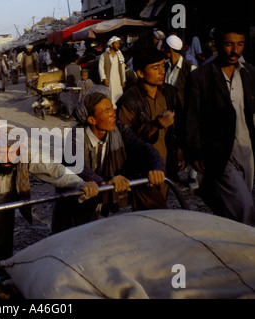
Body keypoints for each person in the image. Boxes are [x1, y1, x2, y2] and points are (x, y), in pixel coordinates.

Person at [0, 123, 99, 276]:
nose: (7, 158)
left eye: (13, 152)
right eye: (1, 152)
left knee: (3, 241)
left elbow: (53, 169)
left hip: (6, 205)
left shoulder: (25, 155)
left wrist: (79, 183)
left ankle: (1, 277)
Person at [51, 86, 166, 233]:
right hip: (78, 200)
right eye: (106, 111)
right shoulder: (74, 136)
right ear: (92, 120)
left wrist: (157, 168)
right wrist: (105, 182)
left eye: (112, 108)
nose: (113, 114)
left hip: (102, 195)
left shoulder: (120, 129)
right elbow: (78, 168)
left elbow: (144, 148)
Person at [184, 22, 255, 225]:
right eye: (229, 44)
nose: (235, 51)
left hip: (246, 149)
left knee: (231, 208)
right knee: (245, 207)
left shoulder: (249, 73)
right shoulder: (201, 77)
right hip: (219, 152)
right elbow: (192, 116)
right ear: (217, 44)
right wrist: (195, 151)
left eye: (240, 44)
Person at [116, 48, 183, 205]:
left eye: (162, 66)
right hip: (142, 166)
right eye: (155, 68)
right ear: (140, 73)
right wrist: (154, 125)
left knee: (161, 203)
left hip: (166, 162)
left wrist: (180, 150)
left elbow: (179, 127)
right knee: (152, 210)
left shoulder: (169, 93)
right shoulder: (128, 100)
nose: (162, 71)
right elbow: (126, 139)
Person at [163, 35, 198, 191]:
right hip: (170, 113)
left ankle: (193, 176)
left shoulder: (190, 69)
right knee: (172, 142)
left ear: (170, 50)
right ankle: (173, 173)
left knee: (189, 142)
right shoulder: (164, 67)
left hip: (186, 112)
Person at [98, 36, 126, 108]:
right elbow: (101, 68)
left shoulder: (120, 56)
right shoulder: (104, 56)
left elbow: (122, 69)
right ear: (111, 45)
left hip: (117, 81)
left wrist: (123, 80)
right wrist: (104, 78)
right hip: (108, 80)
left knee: (118, 95)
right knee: (109, 96)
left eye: (119, 43)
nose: (118, 45)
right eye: (117, 43)